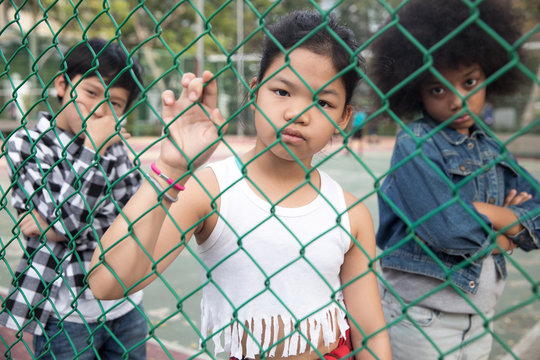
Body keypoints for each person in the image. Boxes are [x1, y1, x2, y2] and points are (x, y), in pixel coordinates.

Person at [88, 10, 392, 360]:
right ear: (254, 92)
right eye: (282, 91)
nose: (298, 112)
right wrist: (169, 169)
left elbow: (370, 333)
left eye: (322, 102)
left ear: (344, 117)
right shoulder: (212, 190)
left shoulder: (350, 213)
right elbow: (106, 283)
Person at [369, 0, 540, 359]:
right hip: (421, 317)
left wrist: (486, 214)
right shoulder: (415, 143)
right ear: (415, 88)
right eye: (437, 89)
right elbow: (448, 229)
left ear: (490, 75)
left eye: (470, 82)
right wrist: (508, 233)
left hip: (480, 318)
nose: (457, 101)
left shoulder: (491, 147)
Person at [0, 39, 147, 359]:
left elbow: (134, 217)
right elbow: (69, 223)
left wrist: (52, 224)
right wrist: (94, 152)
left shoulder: (117, 147)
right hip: (64, 314)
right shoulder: (26, 145)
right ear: (62, 85)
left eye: (116, 103)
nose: (101, 110)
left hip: (126, 305)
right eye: (92, 93)